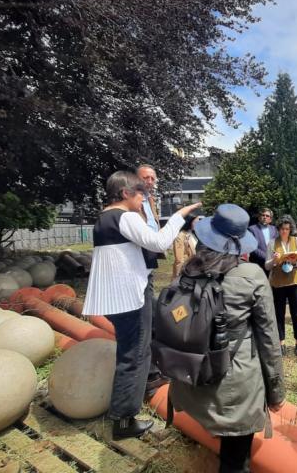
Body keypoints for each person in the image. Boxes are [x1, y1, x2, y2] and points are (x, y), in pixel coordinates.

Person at [82, 170, 199, 439]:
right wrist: (179, 216)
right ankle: (124, 420)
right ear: (125, 193)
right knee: (134, 355)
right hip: (129, 297)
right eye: (141, 195)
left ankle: (141, 389)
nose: (143, 201)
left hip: (118, 296)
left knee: (135, 349)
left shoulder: (104, 218)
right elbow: (158, 242)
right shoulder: (124, 216)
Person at [169, 204, 285, 473]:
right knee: (235, 462)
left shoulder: (188, 270)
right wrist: (276, 392)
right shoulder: (251, 275)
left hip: (191, 376)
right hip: (235, 384)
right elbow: (269, 338)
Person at [135, 164, 170, 396]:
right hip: (136, 266)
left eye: (152, 178)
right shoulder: (132, 203)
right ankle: (146, 377)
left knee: (153, 318)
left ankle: (153, 368)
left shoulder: (150, 200)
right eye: (146, 177)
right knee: (144, 322)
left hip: (147, 265)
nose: (150, 181)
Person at [265, 215, 297, 356]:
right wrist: (275, 261)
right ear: (278, 229)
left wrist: (296, 262)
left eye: (287, 229)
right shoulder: (272, 243)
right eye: (282, 229)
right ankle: (281, 342)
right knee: (279, 314)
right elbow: (267, 265)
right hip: (278, 283)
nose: (284, 231)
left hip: (294, 280)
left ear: (291, 229)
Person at [171, 212, 199, 280]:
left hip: (195, 268)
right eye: (195, 222)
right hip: (186, 271)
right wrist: (179, 276)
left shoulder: (194, 234)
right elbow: (179, 259)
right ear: (189, 222)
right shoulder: (180, 236)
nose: (198, 224)